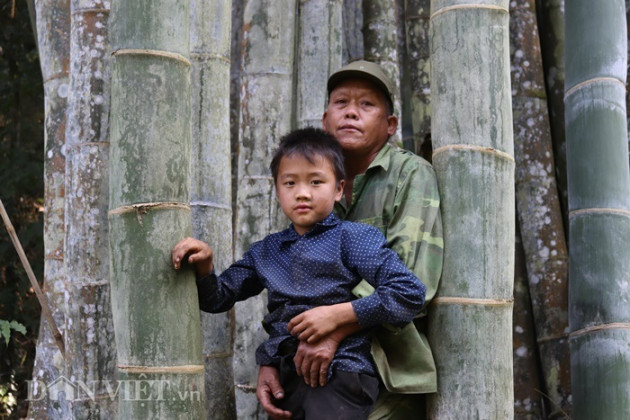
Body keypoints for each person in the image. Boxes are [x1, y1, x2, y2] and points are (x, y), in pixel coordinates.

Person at [172, 127, 427, 420]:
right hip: (286, 377)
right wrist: (204, 266)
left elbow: (408, 292)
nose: (302, 193)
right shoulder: (266, 251)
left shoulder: (352, 238)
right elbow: (217, 299)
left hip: (341, 375)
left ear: (339, 188)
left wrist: (338, 315)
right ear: (277, 189)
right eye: (290, 183)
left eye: (316, 181)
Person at [257, 60, 444, 420]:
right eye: (342, 103)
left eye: (367, 105)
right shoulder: (309, 186)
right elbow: (288, 286)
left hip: (387, 369)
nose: (352, 114)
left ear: (390, 126)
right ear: (325, 120)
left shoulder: (410, 174)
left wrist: (337, 325)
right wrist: (271, 357)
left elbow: (413, 283)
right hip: (304, 363)